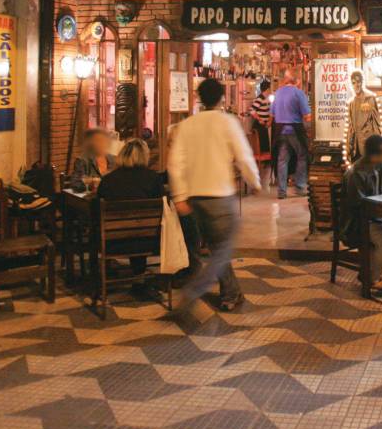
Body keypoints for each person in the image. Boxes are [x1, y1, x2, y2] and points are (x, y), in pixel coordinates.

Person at [169, 78, 261, 312]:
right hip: (221, 196)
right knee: (222, 249)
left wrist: (180, 196)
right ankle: (194, 290)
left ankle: (231, 293)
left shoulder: (187, 125)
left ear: (199, 97)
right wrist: (255, 181)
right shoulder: (227, 122)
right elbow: (244, 155)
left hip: (195, 199)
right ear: (221, 98)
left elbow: (175, 163)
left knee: (216, 245)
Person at [339, 135, 382, 293]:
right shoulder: (355, 172)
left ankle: (381, 274)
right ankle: (369, 277)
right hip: (359, 222)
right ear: (374, 154)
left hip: (380, 218)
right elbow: (357, 204)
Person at [98, 138, 166, 276]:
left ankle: (101, 278)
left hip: (113, 242)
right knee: (140, 225)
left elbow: (96, 212)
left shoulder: (108, 180)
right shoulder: (153, 179)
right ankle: (139, 274)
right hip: (149, 241)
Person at [271, 70, 311, 199]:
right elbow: (307, 116)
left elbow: (271, 115)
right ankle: (299, 186)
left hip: (280, 130)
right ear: (297, 81)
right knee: (302, 155)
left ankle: (282, 191)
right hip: (294, 129)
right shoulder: (299, 93)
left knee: (282, 160)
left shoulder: (277, 93)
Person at [345, 69, 382, 164]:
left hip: (368, 145)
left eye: (358, 81)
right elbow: (350, 126)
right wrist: (348, 146)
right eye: (353, 82)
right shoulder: (351, 102)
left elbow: (377, 124)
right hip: (355, 147)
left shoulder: (371, 98)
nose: (356, 85)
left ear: (362, 82)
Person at [69, 128, 116, 192]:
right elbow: (75, 184)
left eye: (103, 140)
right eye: (98, 141)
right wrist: (91, 184)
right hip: (90, 198)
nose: (101, 144)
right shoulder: (82, 160)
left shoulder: (112, 158)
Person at [249, 77, 272, 155]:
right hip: (259, 125)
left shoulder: (266, 98)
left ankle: (265, 160)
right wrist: (260, 119)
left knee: (265, 143)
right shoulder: (260, 98)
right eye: (270, 89)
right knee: (262, 144)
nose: (270, 91)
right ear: (267, 89)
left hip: (264, 125)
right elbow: (252, 110)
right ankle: (263, 161)